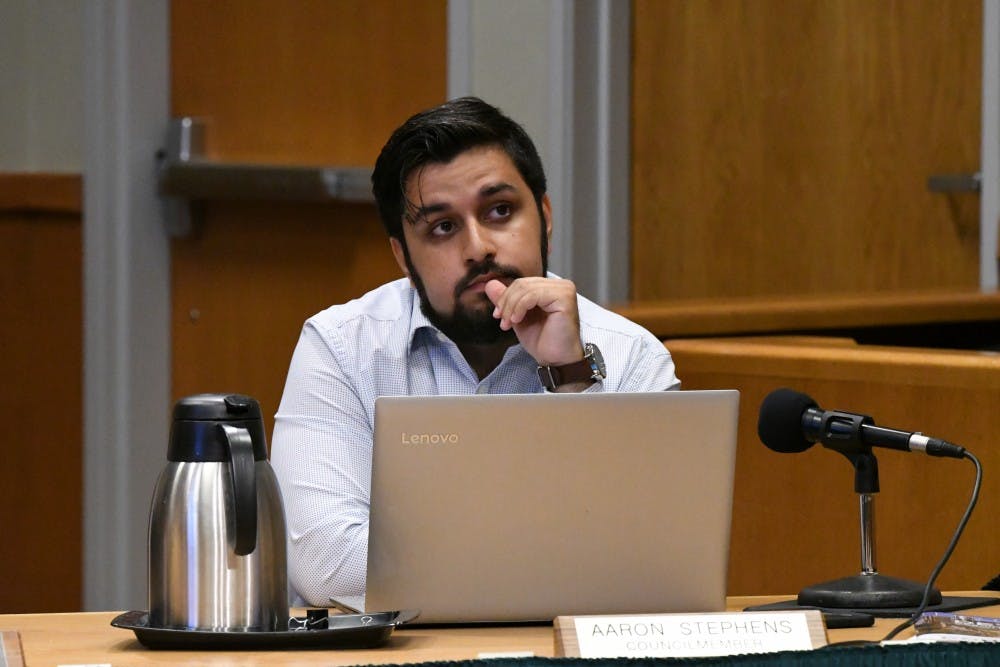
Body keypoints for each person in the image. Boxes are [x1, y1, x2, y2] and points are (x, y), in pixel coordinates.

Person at [270, 97, 680, 607]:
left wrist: (570, 376)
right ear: (402, 255)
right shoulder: (340, 347)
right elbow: (325, 564)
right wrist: (554, 559)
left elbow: (652, 561)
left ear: (545, 216)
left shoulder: (633, 355)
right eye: (443, 227)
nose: (479, 247)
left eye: (500, 211)